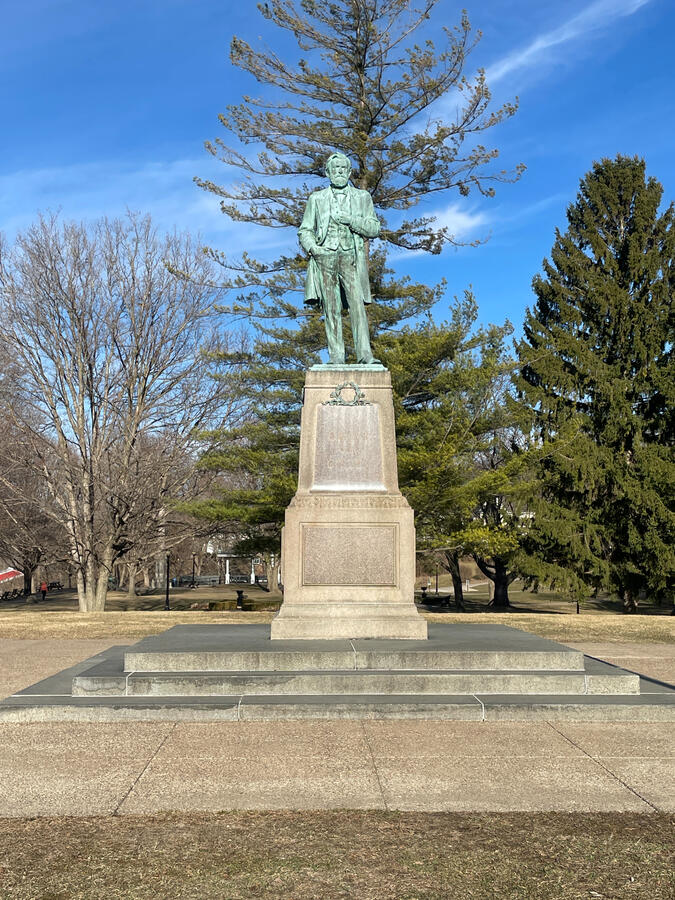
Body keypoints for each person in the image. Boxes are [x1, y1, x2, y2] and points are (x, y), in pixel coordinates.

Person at [299, 152, 381, 365]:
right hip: (324, 256)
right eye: (334, 169)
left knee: (357, 306)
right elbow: (305, 230)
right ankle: (336, 357)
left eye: (343, 169)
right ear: (327, 172)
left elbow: (374, 228)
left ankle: (365, 355)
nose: (339, 173)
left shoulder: (362, 198)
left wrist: (352, 220)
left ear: (349, 172)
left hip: (350, 256)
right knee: (331, 309)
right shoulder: (316, 199)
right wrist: (314, 249)